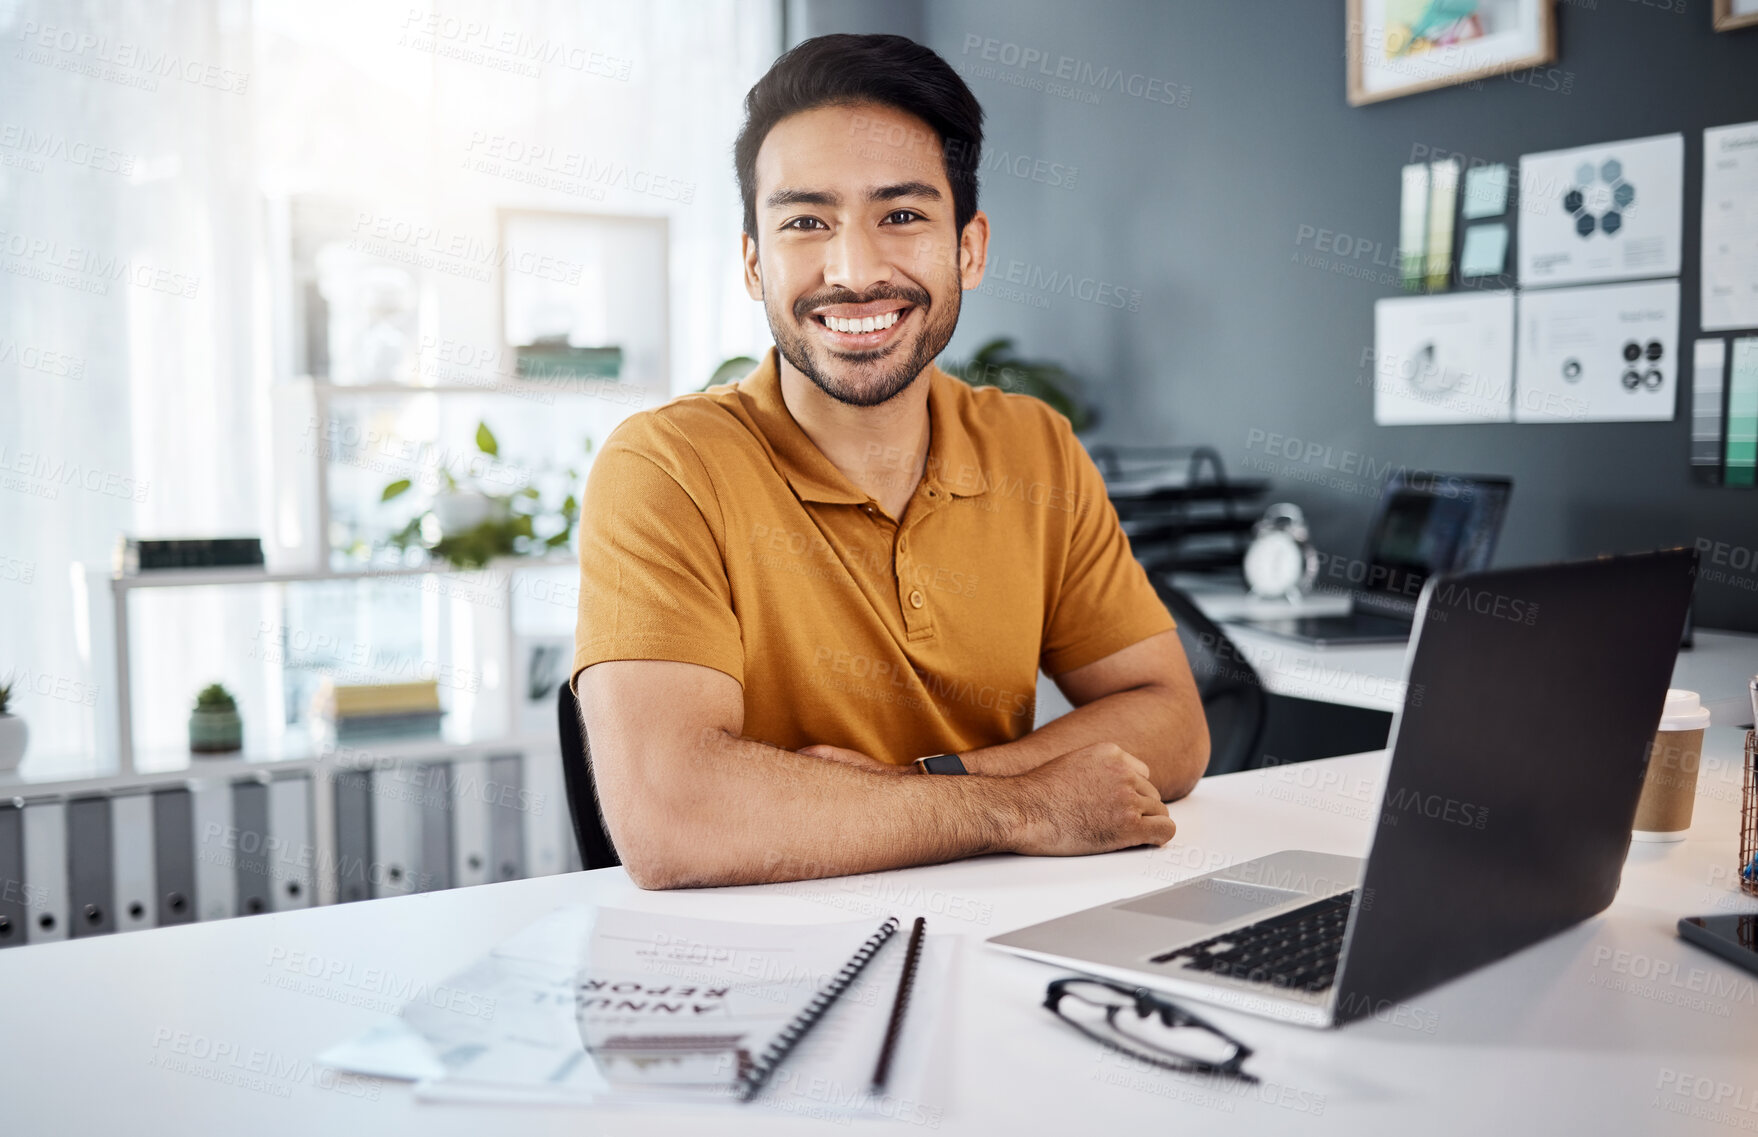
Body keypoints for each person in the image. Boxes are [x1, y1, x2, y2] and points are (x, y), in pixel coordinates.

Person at [571, 33, 1208, 890]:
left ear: (969, 249)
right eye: (806, 222)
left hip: (996, 932)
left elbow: (1173, 720)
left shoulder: (1035, 447)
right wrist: (1024, 805)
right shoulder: (666, 467)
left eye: (902, 215)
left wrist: (933, 785)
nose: (854, 269)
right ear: (755, 264)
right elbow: (671, 816)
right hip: (760, 969)